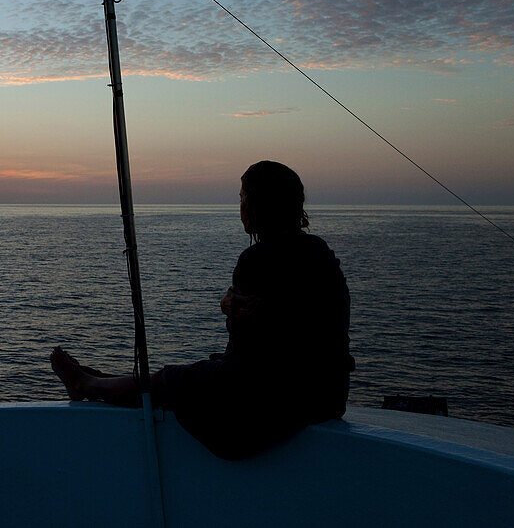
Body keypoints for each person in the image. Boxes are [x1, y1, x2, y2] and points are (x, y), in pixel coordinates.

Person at [50, 160, 355, 460]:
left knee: (176, 380)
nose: (241, 206)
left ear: (258, 204)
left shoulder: (257, 260)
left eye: (243, 197)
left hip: (279, 399)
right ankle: (107, 382)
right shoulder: (319, 252)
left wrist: (233, 312)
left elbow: (246, 354)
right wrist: (234, 306)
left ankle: (89, 384)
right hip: (328, 394)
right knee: (192, 375)